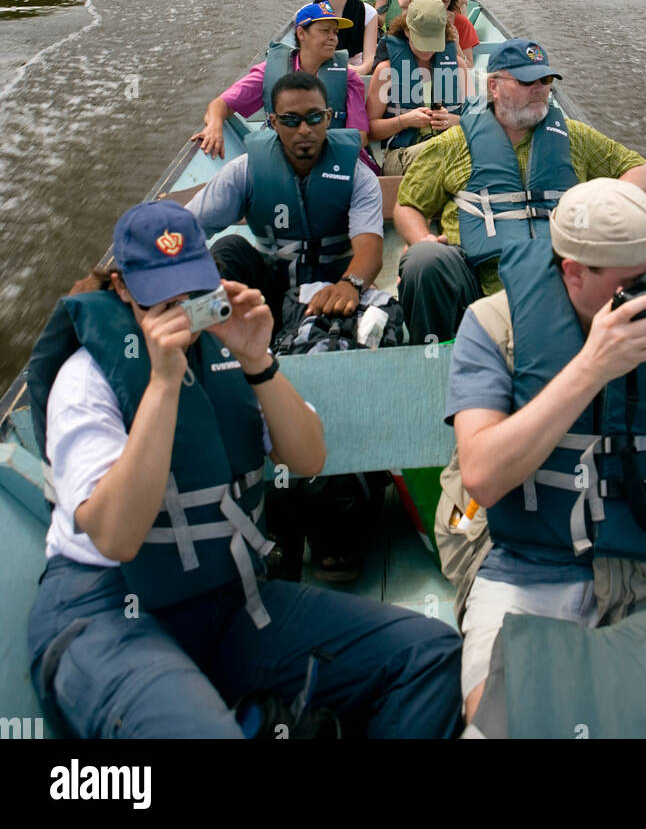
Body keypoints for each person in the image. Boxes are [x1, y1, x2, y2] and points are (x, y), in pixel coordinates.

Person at [26, 200, 463, 740]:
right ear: (121, 289)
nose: (181, 308)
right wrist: (163, 383)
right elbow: (115, 537)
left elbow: (308, 459)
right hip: (112, 610)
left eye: (193, 289)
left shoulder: (224, 352)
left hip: (224, 597)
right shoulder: (88, 378)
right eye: (160, 295)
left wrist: (258, 360)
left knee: (427, 655)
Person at [444, 179, 646, 730]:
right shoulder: (493, 326)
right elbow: (482, 477)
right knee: (510, 723)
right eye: (637, 283)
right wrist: (590, 368)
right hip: (526, 567)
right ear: (573, 271)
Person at [393, 36, 646, 345]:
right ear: (494, 87)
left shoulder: (574, 136)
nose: (540, 88)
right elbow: (407, 204)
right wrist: (420, 238)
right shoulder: (454, 143)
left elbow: (645, 171)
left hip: (565, 278)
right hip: (479, 280)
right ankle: (434, 359)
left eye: (546, 80)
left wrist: (607, 202)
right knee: (424, 260)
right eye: (527, 80)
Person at [188, 71, 383, 330]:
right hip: (268, 289)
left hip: (333, 286)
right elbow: (187, 228)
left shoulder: (357, 175)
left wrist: (351, 284)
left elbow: (370, 249)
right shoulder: (244, 171)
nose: (304, 130)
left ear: (327, 118)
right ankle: (209, 340)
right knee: (229, 248)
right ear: (273, 122)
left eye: (314, 117)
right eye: (291, 120)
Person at [191, 1, 369, 160]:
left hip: (337, 158)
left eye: (335, 32)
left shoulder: (349, 78)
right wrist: (215, 125)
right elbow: (220, 105)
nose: (333, 37)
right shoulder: (269, 72)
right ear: (301, 33)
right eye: (325, 30)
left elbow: (359, 137)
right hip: (288, 156)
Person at [366, 0, 471, 175]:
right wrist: (404, 121)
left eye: (433, 42)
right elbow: (369, 131)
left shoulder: (458, 66)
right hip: (401, 155)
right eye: (422, 40)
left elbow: (475, 122)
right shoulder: (387, 71)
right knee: (443, 155)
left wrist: (453, 121)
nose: (427, 49)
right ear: (407, 31)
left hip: (449, 150)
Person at [314, 0, 378, 75]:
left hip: (355, 69)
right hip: (319, 67)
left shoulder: (368, 13)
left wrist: (348, 70)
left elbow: (368, 62)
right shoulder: (309, 12)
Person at [409, 0, 480, 64]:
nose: (441, 5)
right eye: (435, 0)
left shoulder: (463, 24)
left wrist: (457, 47)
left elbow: (469, 67)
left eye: (445, 1)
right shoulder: (413, 18)